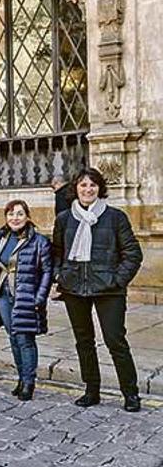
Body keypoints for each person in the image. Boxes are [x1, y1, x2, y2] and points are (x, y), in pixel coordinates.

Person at [52, 168, 143, 412]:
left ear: (100, 189)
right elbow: (56, 252)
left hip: (108, 290)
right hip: (74, 288)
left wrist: (117, 280)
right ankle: (91, 390)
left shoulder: (115, 217)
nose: (88, 189)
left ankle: (130, 393)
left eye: (93, 185)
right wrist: (59, 274)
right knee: (84, 342)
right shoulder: (64, 218)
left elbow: (133, 254)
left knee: (115, 341)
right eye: (83, 185)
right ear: (76, 189)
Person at [0, 200, 52, 401]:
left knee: (25, 339)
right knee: (13, 337)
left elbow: (47, 272)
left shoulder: (39, 241)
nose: (15, 218)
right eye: (10, 214)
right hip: (3, 295)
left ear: (27, 217)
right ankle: (20, 378)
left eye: (19, 214)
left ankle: (29, 382)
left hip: (25, 296)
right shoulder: (0, 238)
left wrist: (40, 297)